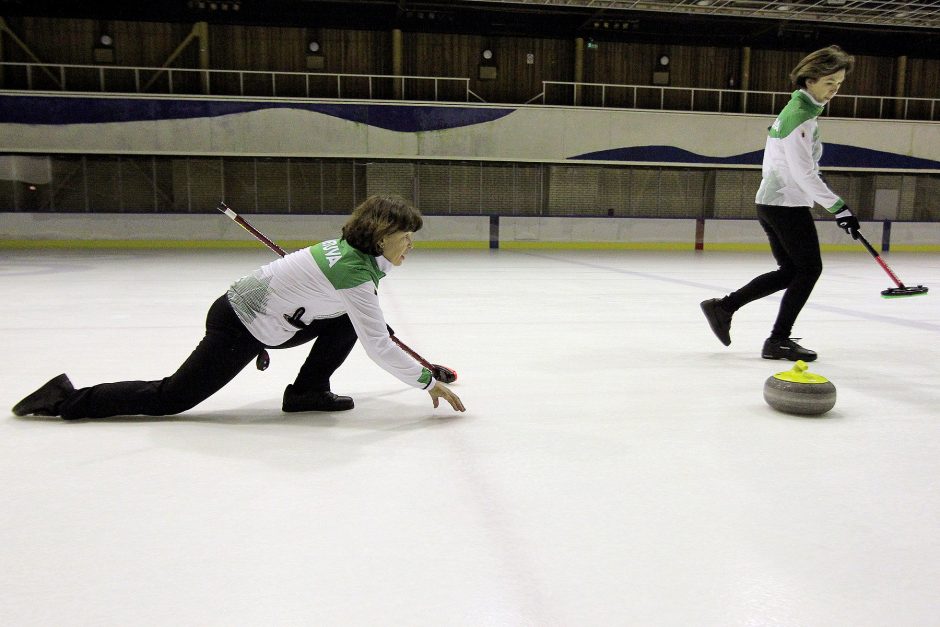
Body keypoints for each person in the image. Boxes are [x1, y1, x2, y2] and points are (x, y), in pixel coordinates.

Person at [12, 194, 465, 419]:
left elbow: (368, 321)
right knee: (173, 397)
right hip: (239, 324)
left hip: (269, 318)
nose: (410, 246)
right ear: (382, 235)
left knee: (352, 320)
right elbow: (378, 346)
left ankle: (306, 392)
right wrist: (425, 381)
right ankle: (64, 399)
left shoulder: (351, 252)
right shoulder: (353, 271)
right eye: (406, 238)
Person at [700, 45, 859, 362]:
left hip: (774, 203)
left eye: (839, 84)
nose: (834, 90)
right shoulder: (799, 118)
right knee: (809, 269)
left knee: (791, 271)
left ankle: (724, 307)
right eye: (830, 83)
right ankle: (778, 340)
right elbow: (804, 175)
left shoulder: (798, 112)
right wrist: (839, 208)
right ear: (810, 79)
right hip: (785, 204)